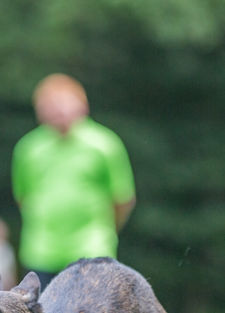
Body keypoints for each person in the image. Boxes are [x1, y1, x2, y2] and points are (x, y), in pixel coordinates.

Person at [12, 74, 136, 289]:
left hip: (92, 251)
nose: (57, 111)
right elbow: (23, 198)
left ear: (82, 105)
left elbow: (122, 200)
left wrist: (104, 231)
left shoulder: (105, 144)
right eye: (49, 105)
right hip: (40, 252)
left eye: (63, 103)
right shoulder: (28, 148)